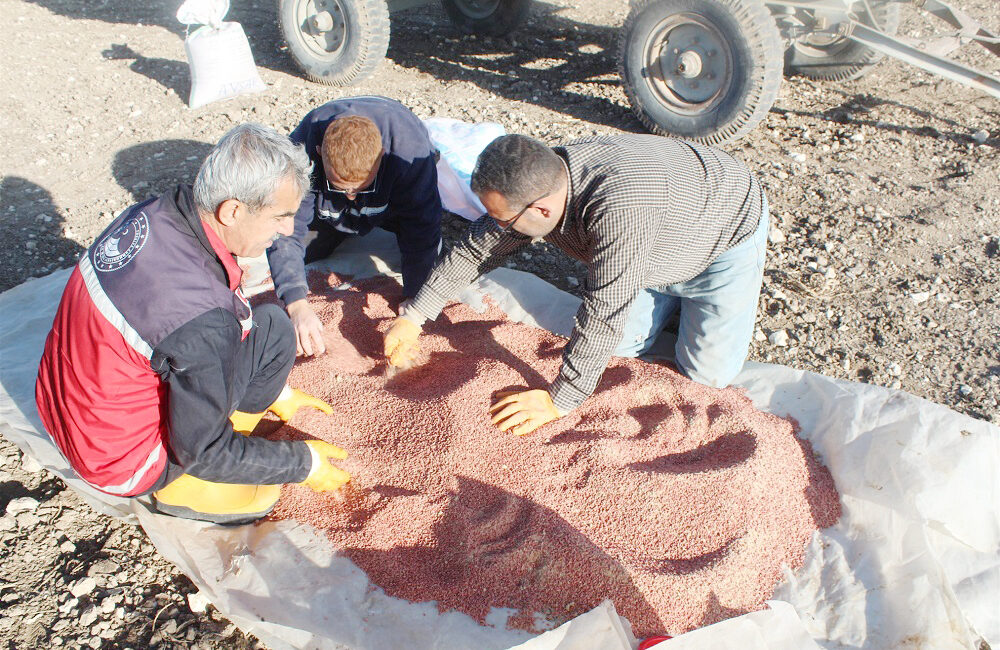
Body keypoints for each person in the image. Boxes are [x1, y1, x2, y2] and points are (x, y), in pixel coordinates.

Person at [35, 124, 351, 525]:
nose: (288, 230)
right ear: (232, 211)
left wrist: (276, 391)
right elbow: (201, 449)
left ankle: (236, 425)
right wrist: (304, 463)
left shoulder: (155, 212)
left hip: (64, 406)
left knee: (274, 327)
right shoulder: (201, 318)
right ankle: (182, 486)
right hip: (119, 458)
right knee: (254, 494)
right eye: (281, 216)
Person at [383, 133, 769, 436]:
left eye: (503, 220)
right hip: (651, 241)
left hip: (720, 237)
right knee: (618, 349)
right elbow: (477, 248)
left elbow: (604, 311)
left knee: (707, 377)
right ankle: (662, 298)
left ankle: (688, 302)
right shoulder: (541, 178)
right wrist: (415, 316)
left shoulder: (618, 212)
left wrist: (560, 400)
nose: (497, 227)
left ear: (541, 209)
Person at [267, 96, 443, 357]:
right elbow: (286, 228)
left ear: (382, 156)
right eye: (342, 187)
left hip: (391, 203)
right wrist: (296, 304)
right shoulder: (299, 154)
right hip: (327, 209)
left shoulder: (410, 155)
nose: (351, 196)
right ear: (319, 153)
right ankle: (340, 222)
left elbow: (422, 227)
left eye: (359, 187)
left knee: (427, 255)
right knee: (298, 251)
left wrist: (415, 297)